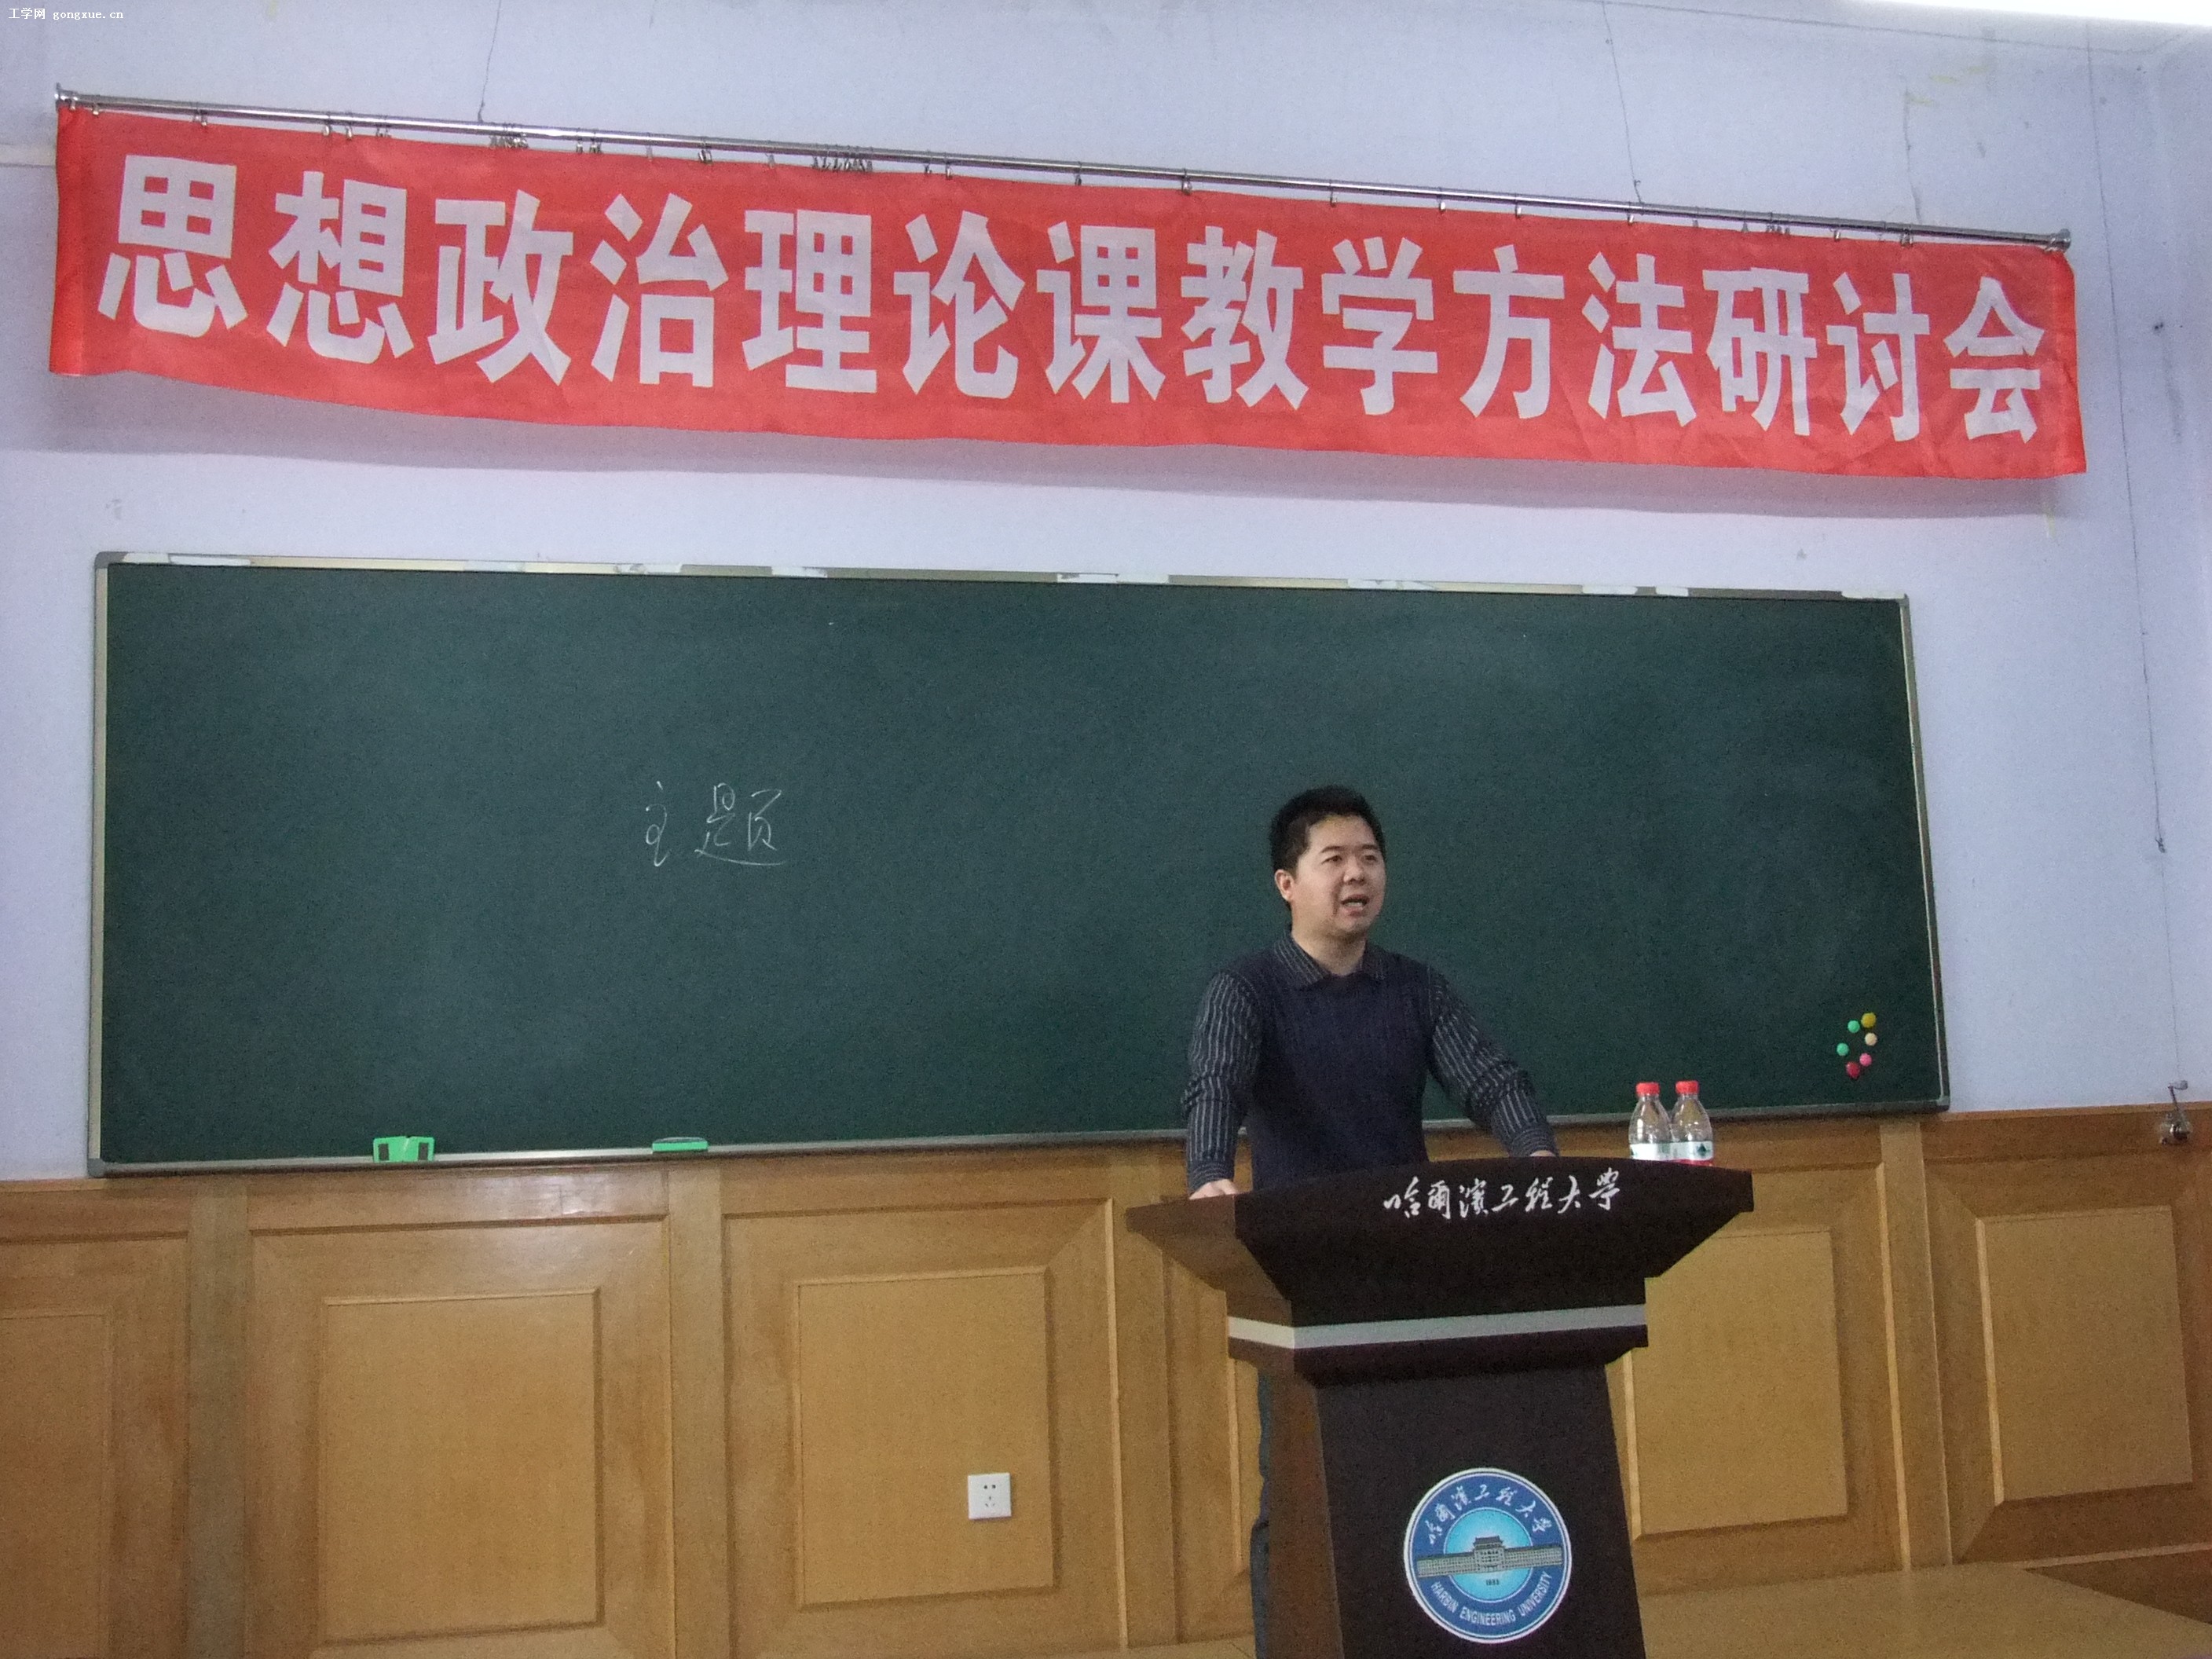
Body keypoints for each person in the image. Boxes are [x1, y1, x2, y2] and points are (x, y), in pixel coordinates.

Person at [1179, 784, 1558, 1658]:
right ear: (1287, 883)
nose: (1357, 876)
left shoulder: (1414, 988)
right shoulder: (1247, 989)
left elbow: (1489, 1078)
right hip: (1300, 1273)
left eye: (1370, 859)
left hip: (1410, 1261)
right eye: (1334, 861)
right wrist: (1207, 1177)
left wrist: (1536, 1154)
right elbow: (1215, 1085)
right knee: (1300, 1486)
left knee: (1418, 1470)